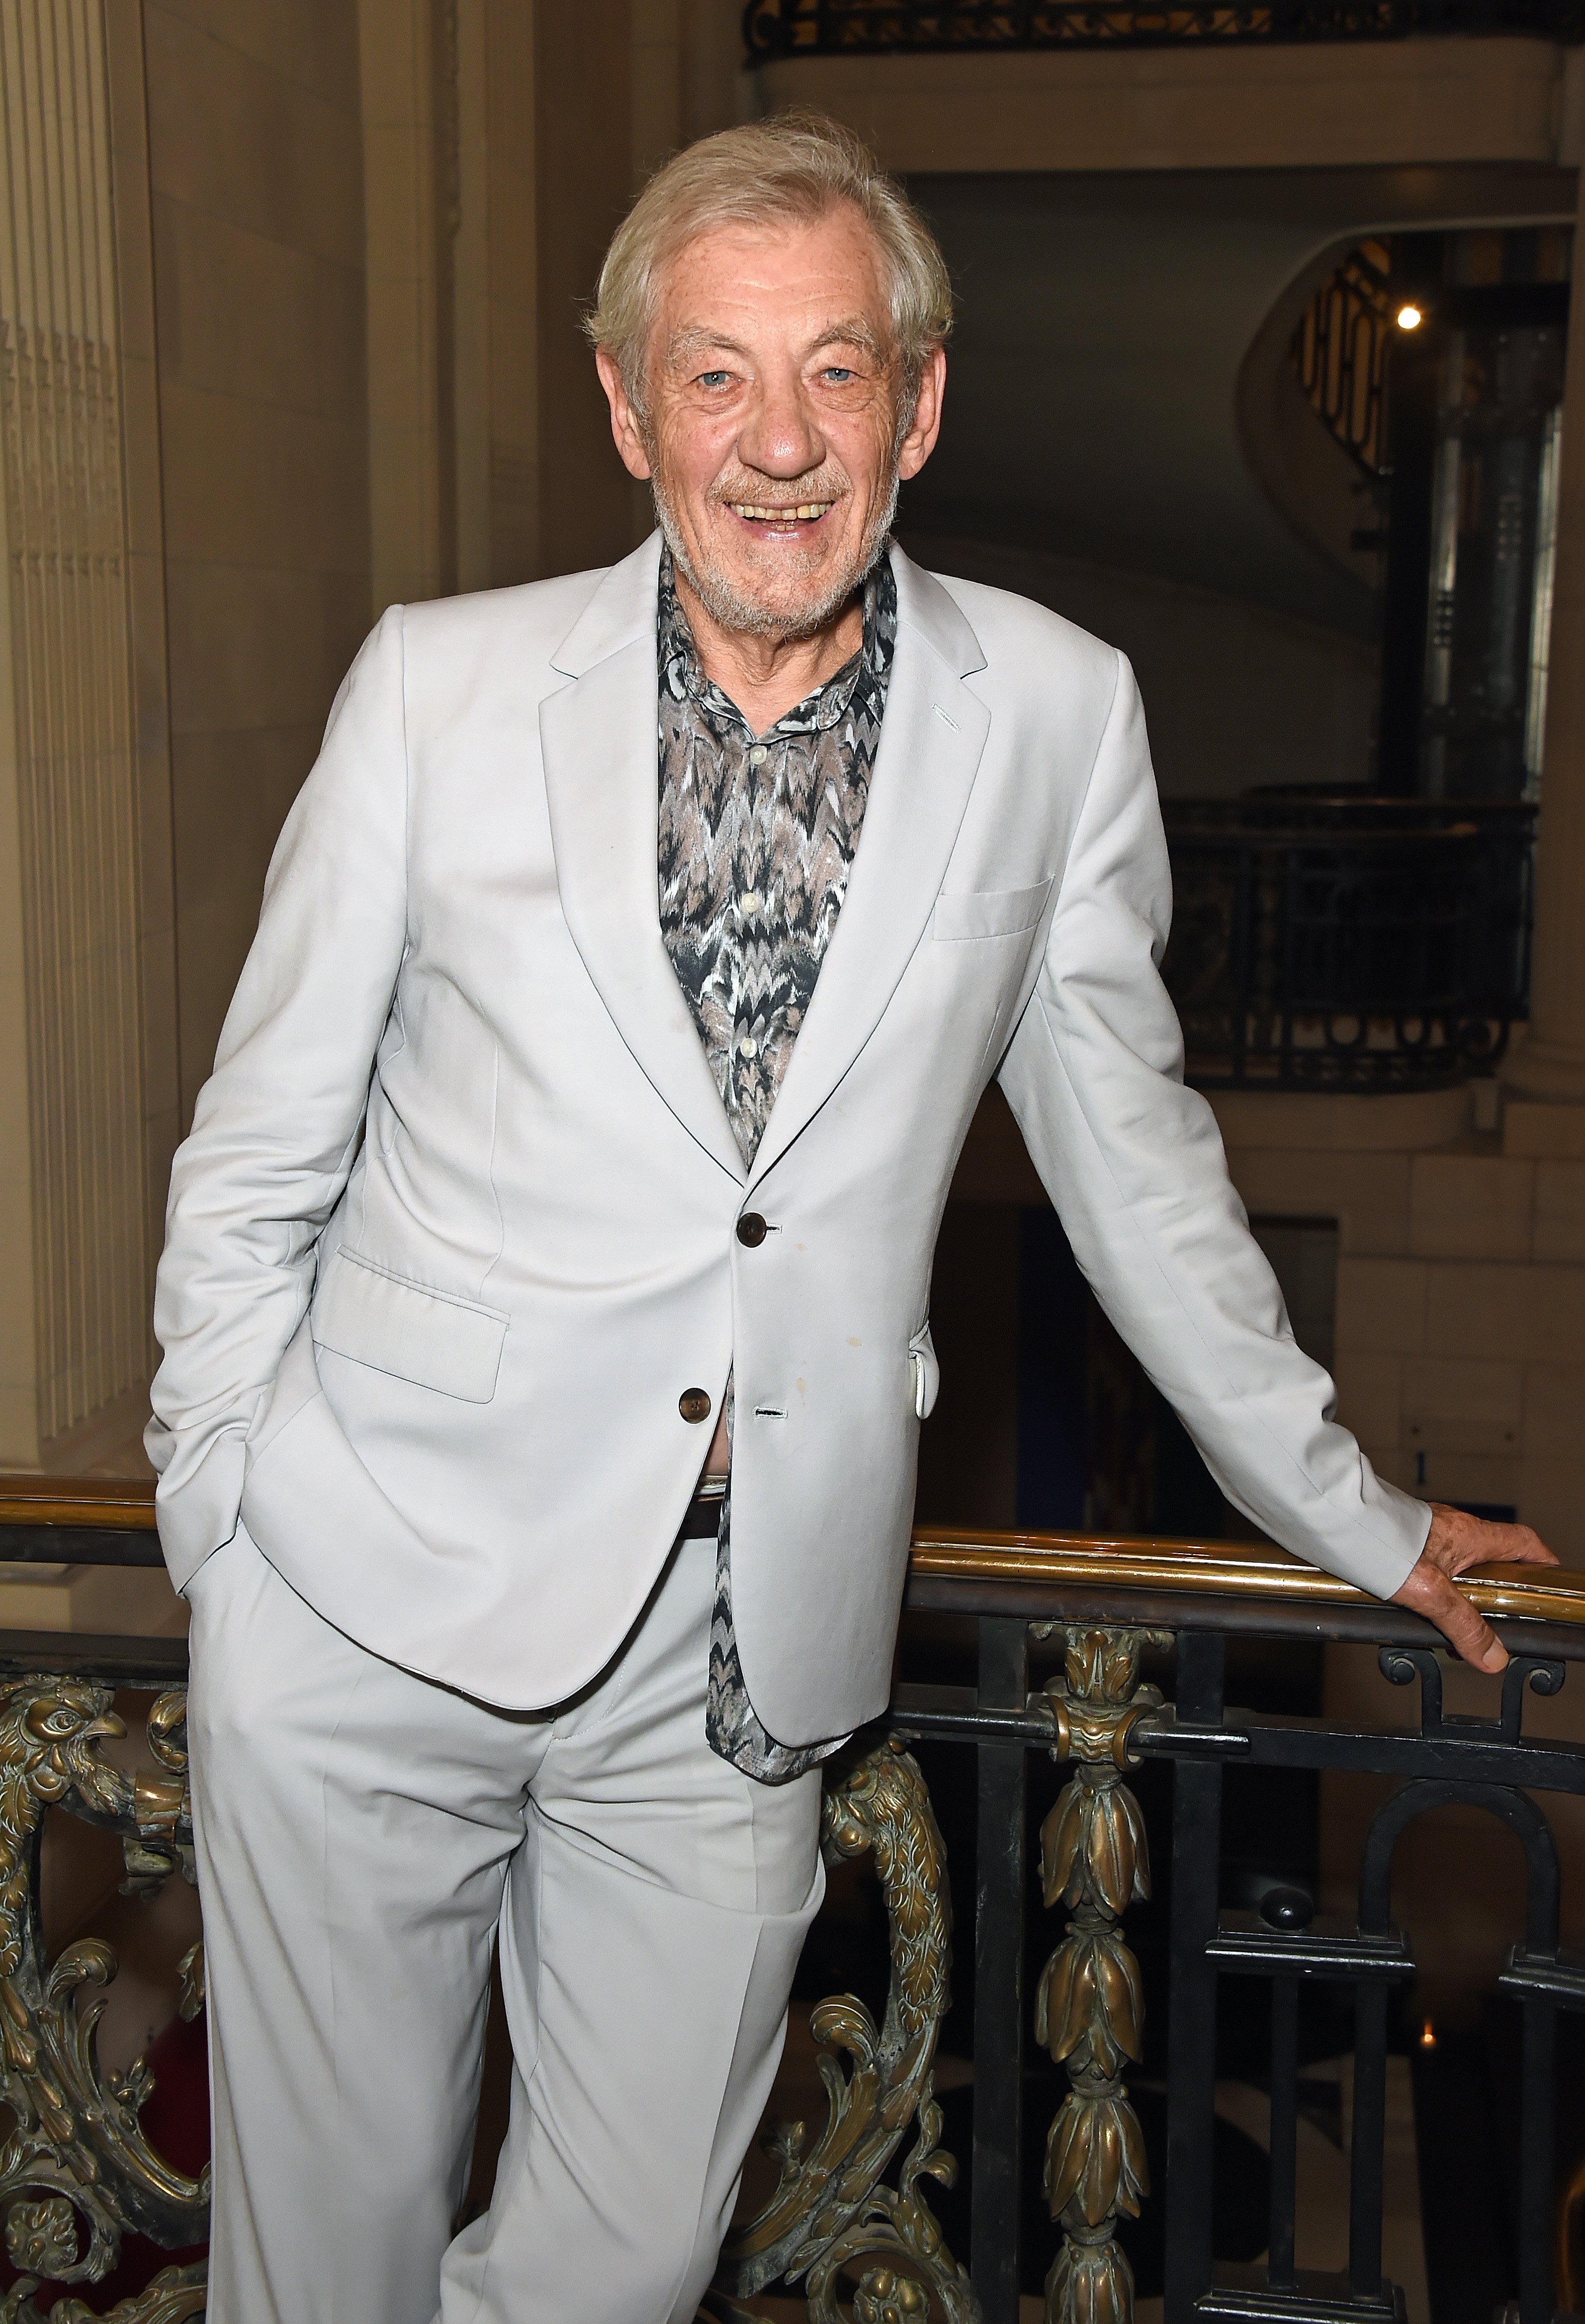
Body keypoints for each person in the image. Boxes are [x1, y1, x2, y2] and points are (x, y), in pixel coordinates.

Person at [145, 110, 1554, 2324]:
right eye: (715, 375)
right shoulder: (435, 686)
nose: (777, 442)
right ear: (627, 409)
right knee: (318, 2274)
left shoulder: (1056, 718)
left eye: (833, 372)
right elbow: (257, 1153)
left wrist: (1357, 1513)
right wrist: (223, 1538)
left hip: (737, 1674)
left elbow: (1139, 1168)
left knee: (618, 2273)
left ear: (920, 400)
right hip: (367, 1615)